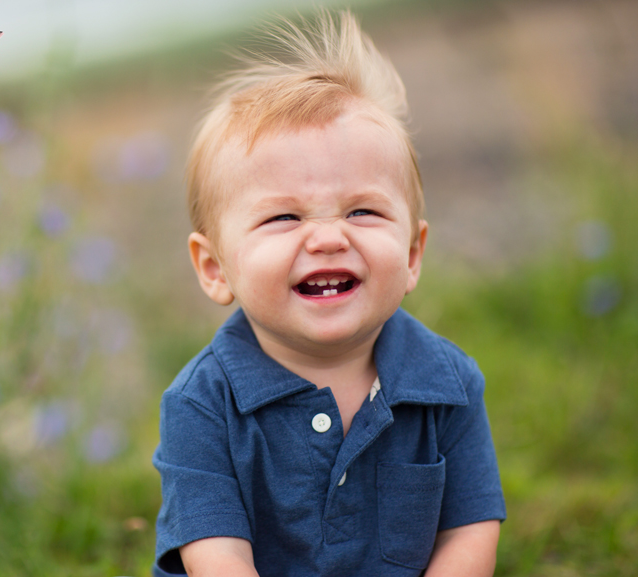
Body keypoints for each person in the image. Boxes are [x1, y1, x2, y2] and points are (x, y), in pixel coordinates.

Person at [152, 9, 506, 577]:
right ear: (215, 268)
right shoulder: (202, 404)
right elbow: (216, 555)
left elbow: (469, 530)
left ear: (412, 255)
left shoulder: (449, 383)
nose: (327, 238)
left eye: (362, 211)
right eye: (284, 217)